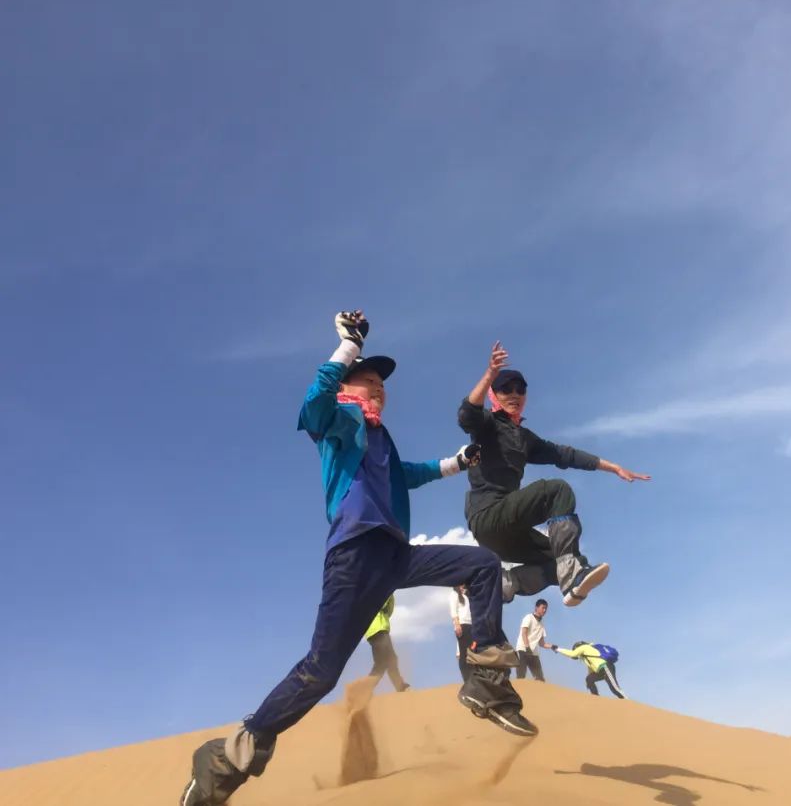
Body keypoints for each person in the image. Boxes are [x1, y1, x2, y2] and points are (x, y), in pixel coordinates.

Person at [180, 310, 535, 806]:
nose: (379, 387)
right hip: (353, 556)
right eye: (369, 380)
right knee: (320, 673)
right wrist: (347, 347)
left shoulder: (378, 436)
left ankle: (486, 683)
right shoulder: (340, 423)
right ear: (348, 385)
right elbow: (312, 407)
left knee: (482, 566)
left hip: (393, 557)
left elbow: (404, 474)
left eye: (382, 383)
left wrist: (455, 463)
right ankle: (224, 762)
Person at [458, 341, 650, 606]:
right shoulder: (487, 424)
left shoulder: (525, 438)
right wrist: (490, 374)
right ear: (494, 395)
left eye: (520, 390)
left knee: (559, 556)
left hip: (507, 533)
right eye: (506, 390)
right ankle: (571, 575)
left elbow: (564, 455)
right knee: (557, 490)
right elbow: (467, 415)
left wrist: (614, 467)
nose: (514, 395)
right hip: (487, 515)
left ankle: (503, 584)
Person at [364, 595, 409, 692]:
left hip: (378, 629)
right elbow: (383, 605)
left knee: (390, 660)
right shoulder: (376, 591)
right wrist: (389, 594)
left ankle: (399, 686)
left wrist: (390, 596)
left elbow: (388, 610)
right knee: (382, 663)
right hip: (377, 629)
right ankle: (364, 689)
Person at [552, 640, 626, 699]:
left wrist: (557, 649)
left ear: (577, 647)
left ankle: (626, 701)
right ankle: (595, 698)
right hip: (600, 670)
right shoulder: (586, 656)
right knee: (589, 679)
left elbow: (572, 654)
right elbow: (591, 670)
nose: (578, 656)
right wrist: (589, 683)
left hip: (605, 667)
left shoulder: (584, 647)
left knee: (614, 688)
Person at [516, 599, 555, 680]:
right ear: (536, 608)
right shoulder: (529, 617)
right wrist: (527, 647)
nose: (544, 610)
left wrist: (552, 646)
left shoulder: (542, 624)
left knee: (540, 678)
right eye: (543, 608)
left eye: (546, 608)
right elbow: (524, 633)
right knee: (521, 676)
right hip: (523, 650)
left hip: (533, 653)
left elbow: (542, 643)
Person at [449, 584, 473, 682]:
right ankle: (466, 677)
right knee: (464, 652)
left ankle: (473, 676)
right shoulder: (454, 594)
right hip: (462, 625)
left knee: (472, 651)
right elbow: (453, 611)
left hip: (470, 624)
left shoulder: (465, 595)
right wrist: (457, 625)